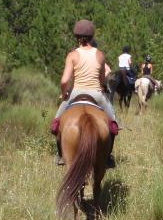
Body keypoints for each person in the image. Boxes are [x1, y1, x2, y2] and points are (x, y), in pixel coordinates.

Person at [50, 20, 118, 167]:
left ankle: (61, 155)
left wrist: (64, 94)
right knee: (113, 124)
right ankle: (107, 157)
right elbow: (101, 79)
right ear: (92, 37)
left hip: (76, 93)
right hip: (97, 94)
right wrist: (101, 87)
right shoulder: (99, 55)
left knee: (56, 124)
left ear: (76, 37)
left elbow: (64, 81)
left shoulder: (72, 55)